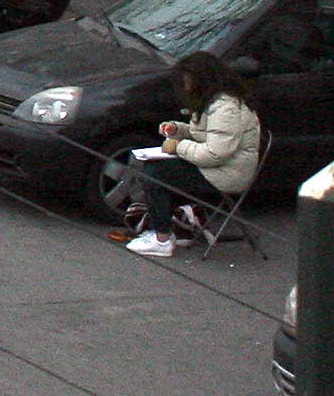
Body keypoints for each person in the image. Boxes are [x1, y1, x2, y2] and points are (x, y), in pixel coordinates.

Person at [107, 57, 265, 255]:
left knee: (155, 173)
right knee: (159, 170)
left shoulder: (225, 108)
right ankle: (168, 228)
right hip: (219, 168)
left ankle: (162, 238)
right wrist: (178, 130)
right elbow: (207, 134)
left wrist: (178, 147)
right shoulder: (216, 102)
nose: (186, 86)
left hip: (227, 173)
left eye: (189, 81)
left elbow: (215, 153)